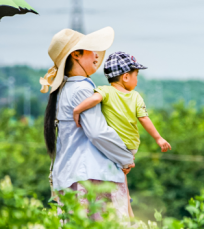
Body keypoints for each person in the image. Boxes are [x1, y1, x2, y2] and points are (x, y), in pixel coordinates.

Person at [40, 27, 135, 220]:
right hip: (92, 177)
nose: (96, 56)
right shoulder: (83, 89)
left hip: (71, 175)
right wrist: (126, 156)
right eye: (91, 50)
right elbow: (98, 132)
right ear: (76, 54)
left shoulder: (65, 88)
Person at [71, 51, 171, 214]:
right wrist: (158, 138)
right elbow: (144, 119)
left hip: (113, 146)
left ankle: (118, 210)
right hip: (130, 147)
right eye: (136, 75)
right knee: (122, 181)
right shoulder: (136, 97)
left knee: (117, 179)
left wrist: (77, 110)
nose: (137, 81)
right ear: (125, 77)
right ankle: (129, 214)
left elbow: (94, 100)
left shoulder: (105, 91)